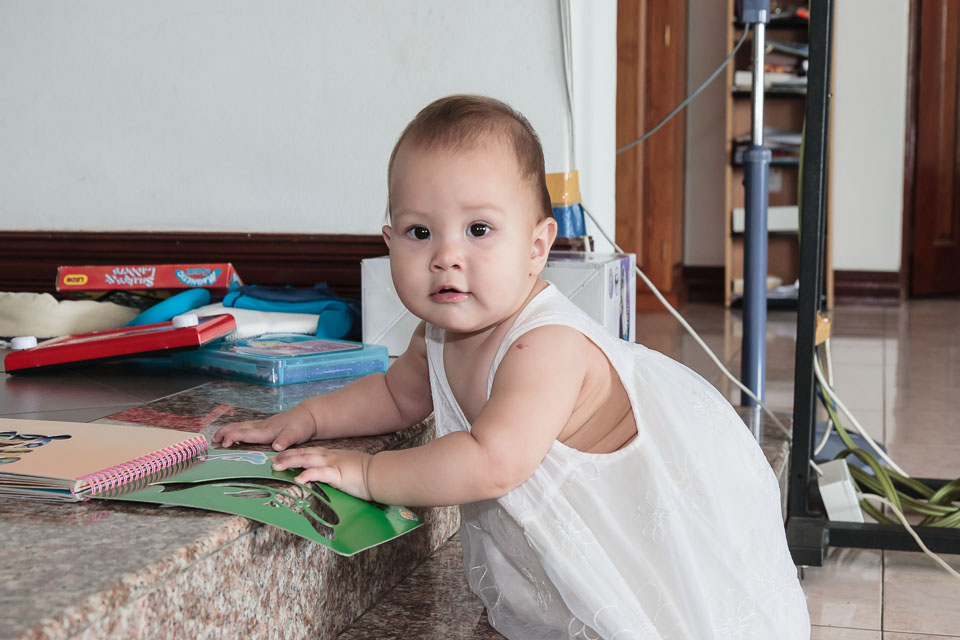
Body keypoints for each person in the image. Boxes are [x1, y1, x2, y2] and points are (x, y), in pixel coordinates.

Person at [214, 95, 810, 639]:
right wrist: (307, 419)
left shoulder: (544, 347)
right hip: (565, 537)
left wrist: (369, 474)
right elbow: (395, 397)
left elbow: (491, 462)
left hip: (633, 527)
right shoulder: (438, 334)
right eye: (420, 232)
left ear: (536, 246)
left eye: (478, 230)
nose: (447, 256)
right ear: (389, 242)